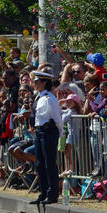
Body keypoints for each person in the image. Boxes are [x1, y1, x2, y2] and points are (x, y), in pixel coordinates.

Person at [29, 71, 63, 205]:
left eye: (38, 81)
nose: (35, 84)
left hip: (49, 131)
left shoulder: (50, 98)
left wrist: (60, 133)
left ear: (45, 83)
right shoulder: (39, 97)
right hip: (39, 131)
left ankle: (52, 194)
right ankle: (43, 192)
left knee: (49, 163)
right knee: (39, 164)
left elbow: (57, 118)